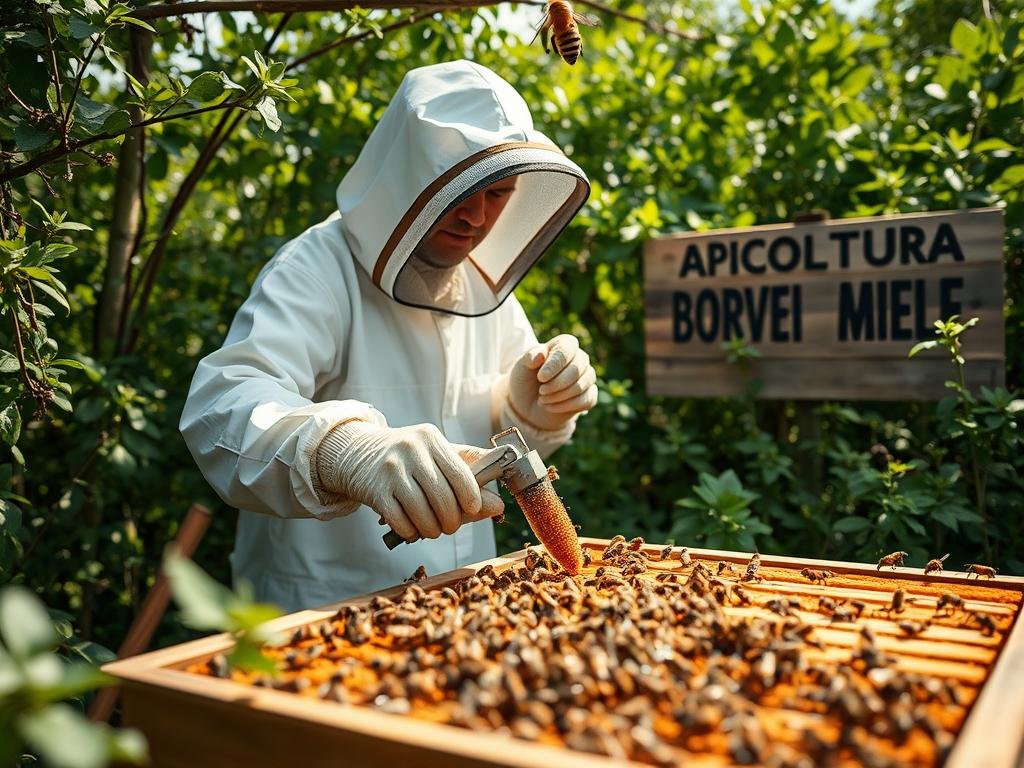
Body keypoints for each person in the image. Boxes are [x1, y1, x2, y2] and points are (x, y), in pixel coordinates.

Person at [180, 60, 598, 612]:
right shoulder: (316, 267)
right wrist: (347, 452)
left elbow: (506, 446)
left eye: (499, 193)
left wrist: (529, 408)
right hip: (326, 609)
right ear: (407, 176)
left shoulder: (483, 285)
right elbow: (223, 408)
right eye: (458, 189)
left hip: (465, 605)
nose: (476, 217)